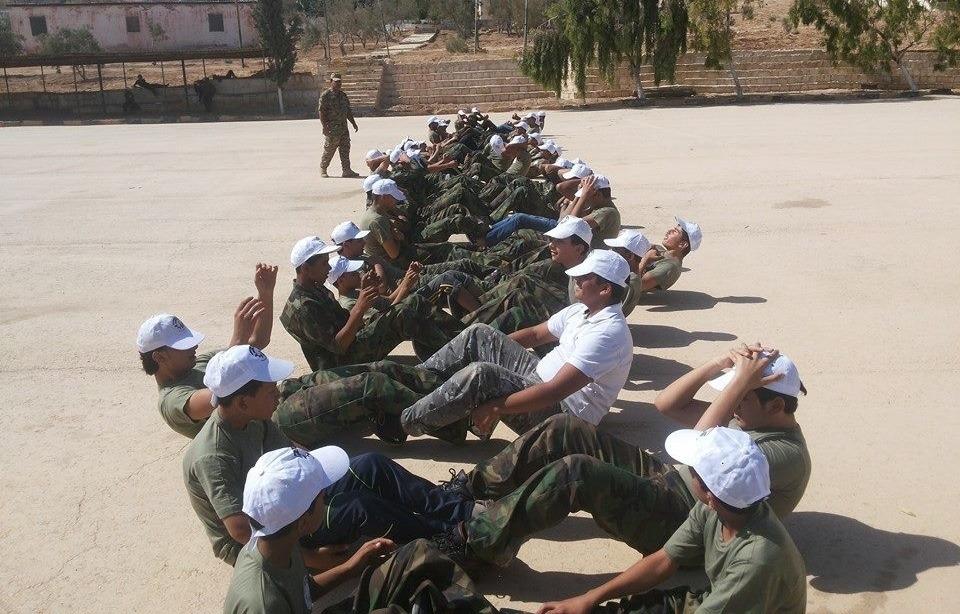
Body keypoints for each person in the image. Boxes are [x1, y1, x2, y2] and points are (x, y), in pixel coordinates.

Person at [433, 346, 811, 568]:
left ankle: (476, 543)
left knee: (577, 473)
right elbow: (667, 404)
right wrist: (718, 366)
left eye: (742, 397)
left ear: (776, 405)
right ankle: (471, 490)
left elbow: (699, 449)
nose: (734, 404)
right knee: (566, 428)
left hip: (684, 523)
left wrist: (740, 384)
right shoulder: (753, 418)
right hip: (674, 483)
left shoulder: (785, 454)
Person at [183, 346, 477, 566]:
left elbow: (297, 454)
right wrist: (308, 558)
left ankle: (458, 509)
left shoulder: (253, 419)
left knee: (370, 464)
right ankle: (444, 538)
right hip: (266, 537)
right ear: (243, 402)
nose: (278, 392)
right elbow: (240, 531)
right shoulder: (214, 455)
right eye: (270, 389)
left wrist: (323, 482)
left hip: (287, 502)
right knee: (359, 506)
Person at [536, 427, 806, 614]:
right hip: (714, 599)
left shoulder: (755, 560)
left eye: (692, 470)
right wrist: (589, 598)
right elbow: (663, 560)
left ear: (710, 492)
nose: (687, 471)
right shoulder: (718, 508)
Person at [223, 446, 495, 614]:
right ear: (303, 520)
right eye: (321, 494)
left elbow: (303, 592)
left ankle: (466, 535)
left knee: (415, 554)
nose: (326, 496)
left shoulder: (274, 542)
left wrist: (352, 566)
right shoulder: (262, 603)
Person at [401, 249, 634, 439]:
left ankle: (403, 421)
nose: (577, 280)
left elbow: (555, 392)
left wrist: (495, 407)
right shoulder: (581, 310)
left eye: (584, 277)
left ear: (605, 289)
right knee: (480, 334)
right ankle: (411, 382)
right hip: (539, 378)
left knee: (482, 375)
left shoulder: (608, 333)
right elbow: (535, 334)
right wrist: (490, 347)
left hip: (563, 414)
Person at [280, 235, 462, 371]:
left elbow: (347, 322)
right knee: (403, 315)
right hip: (342, 362)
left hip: (352, 343)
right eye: (323, 264)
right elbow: (339, 346)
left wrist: (365, 296)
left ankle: (459, 336)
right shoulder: (303, 306)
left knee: (414, 302)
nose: (328, 268)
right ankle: (458, 355)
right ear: (306, 268)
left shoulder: (316, 289)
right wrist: (360, 307)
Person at [319, 72, 360, 178]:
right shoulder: (326, 96)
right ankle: (323, 168)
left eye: (339, 82)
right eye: (336, 82)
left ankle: (346, 170)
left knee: (345, 149)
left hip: (343, 128)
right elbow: (322, 112)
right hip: (332, 129)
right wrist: (324, 127)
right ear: (331, 81)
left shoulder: (343, 95)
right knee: (329, 150)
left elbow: (348, 111)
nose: (338, 84)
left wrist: (353, 123)